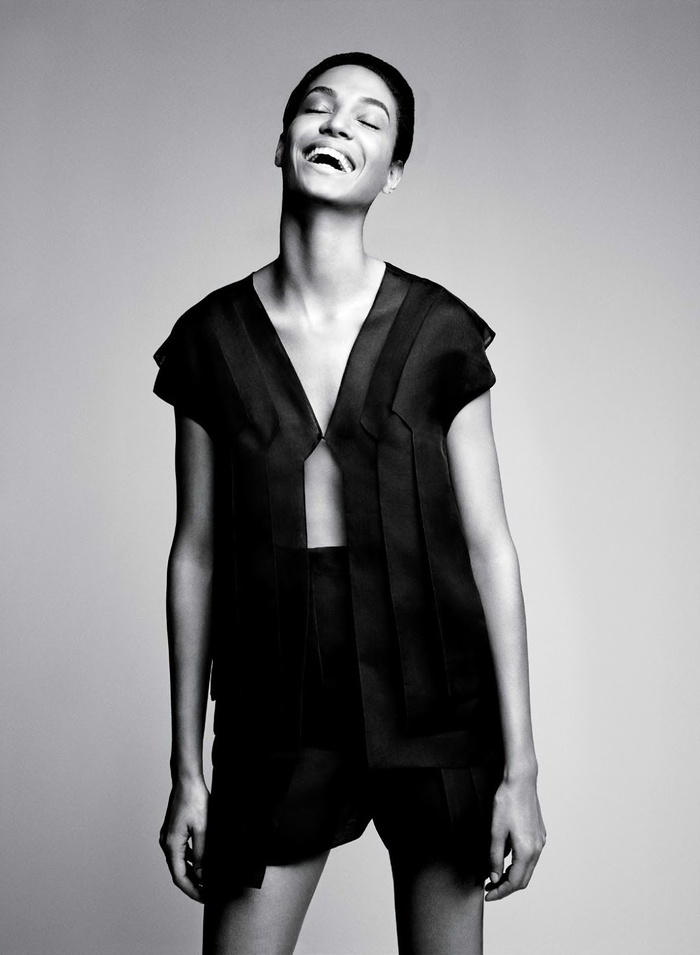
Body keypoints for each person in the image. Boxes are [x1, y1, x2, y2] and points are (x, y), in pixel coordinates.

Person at [153, 51, 546, 955]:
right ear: (281, 141)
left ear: (392, 171)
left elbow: (490, 547)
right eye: (318, 107)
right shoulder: (211, 338)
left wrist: (521, 769)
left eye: (371, 121)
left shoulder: (439, 331)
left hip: (438, 700)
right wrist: (186, 769)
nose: (338, 124)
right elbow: (195, 553)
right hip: (274, 704)